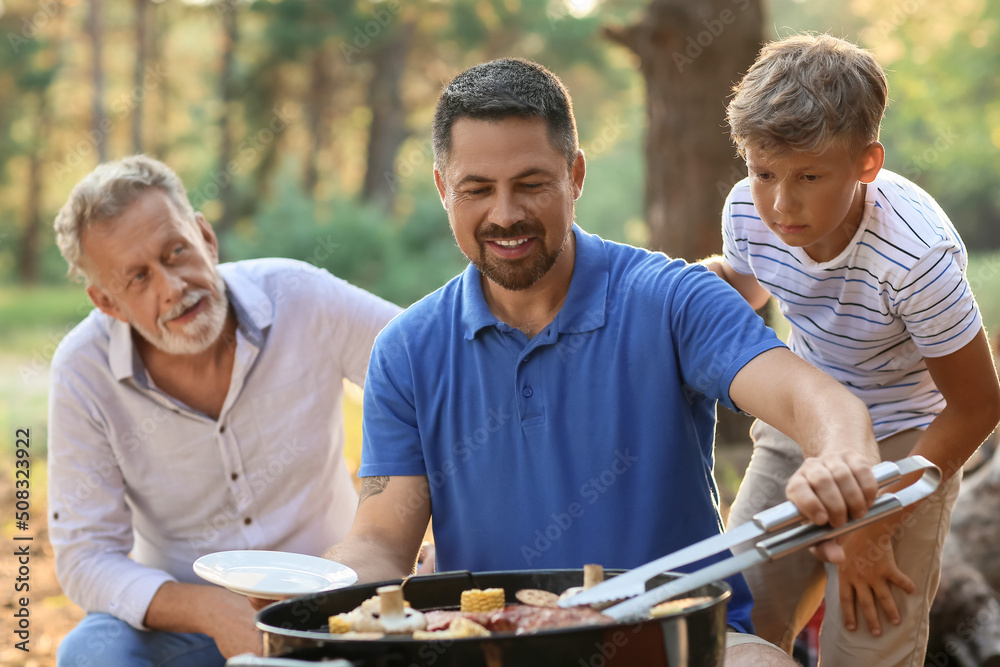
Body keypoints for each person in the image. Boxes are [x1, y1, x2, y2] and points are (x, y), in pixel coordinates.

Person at [320, 58, 889, 664]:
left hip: (681, 642)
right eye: (477, 188)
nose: (505, 213)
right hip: (493, 651)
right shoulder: (407, 350)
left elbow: (816, 400)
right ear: (442, 189)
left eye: (532, 183)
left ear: (576, 175)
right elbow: (381, 539)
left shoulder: (671, 297)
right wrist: (316, 593)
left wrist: (844, 457)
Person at [702, 34, 1000, 666]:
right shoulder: (749, 212)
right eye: (763, 173)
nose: (782, 204)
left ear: (867, 163)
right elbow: (751, 282)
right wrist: (687, 287)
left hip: (908, 442)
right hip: (802, 426)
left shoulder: (917, 257)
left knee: (865, 645)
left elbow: (977, 406)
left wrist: (879, 522)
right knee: (735, 619)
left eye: (809, 176)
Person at [47, 155, 401, 665]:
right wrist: (213, 611)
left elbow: (432, 377)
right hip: (191, 626)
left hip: (343, 603)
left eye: (176, 252)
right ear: (107, 303)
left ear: (205, 238)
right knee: (90, 653)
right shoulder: (83, 371)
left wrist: (425, 534)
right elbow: (86, 557)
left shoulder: (302, 297)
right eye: (138, 279)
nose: (172, 287)